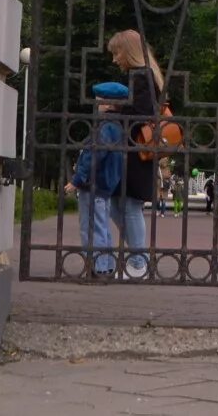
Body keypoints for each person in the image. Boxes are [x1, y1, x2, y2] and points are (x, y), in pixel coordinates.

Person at [106, 28, 164, 278]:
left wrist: (112, 111)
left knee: (129, 207)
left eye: (117, 52)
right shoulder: (142, 76)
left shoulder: (142, 76)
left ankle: (139, 265)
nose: (114, 58)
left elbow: (142, 114)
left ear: (128, 51)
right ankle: (138, 259)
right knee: (118, 207)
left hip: (136, 153)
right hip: (131, 152)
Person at [63, 80, 129, 278]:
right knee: (102, 227)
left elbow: (94, 154)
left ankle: (97, 268)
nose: (96, 104)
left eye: (99, 101)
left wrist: (77, 179)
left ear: (108, 104)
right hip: (105, 185)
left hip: (93, 184)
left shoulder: (105, 127)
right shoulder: (118, 126)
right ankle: (106, 265)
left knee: (91, 228)